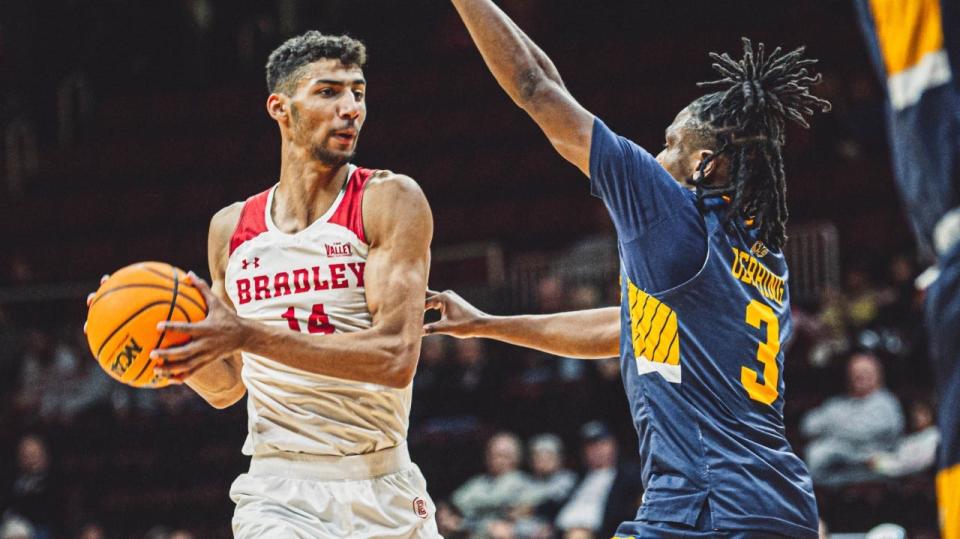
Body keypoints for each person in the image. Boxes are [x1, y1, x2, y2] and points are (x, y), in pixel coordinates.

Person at [426, 1, 830, 536]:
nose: (656, 158)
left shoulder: (670, 211)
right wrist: (487, 325)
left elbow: (537, 87)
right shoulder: (763, 258)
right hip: (779, 507)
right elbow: (625, 330)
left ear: (703, 165)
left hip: (706, 505)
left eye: (668, 145)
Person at [89, 32, 438, 537]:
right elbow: (228, 386)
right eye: (328, 92)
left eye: (358, 93)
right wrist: (164, 342)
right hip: (279, 490)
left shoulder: (387, 200)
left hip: (382, 481)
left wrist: (248, 336)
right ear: (280, 107)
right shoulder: (231, 229)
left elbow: (394, 358)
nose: (351, 108)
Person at [800, 352, 904, 485]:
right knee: (815, 453)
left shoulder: (886, 402)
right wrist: (843, 426)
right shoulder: (838, 403)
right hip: (836, 468)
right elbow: (807, 425)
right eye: (855, 372)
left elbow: (862, 433)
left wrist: (831, 427)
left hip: (872, 466)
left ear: (878, 375)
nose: (859, 376)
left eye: (865, 371)